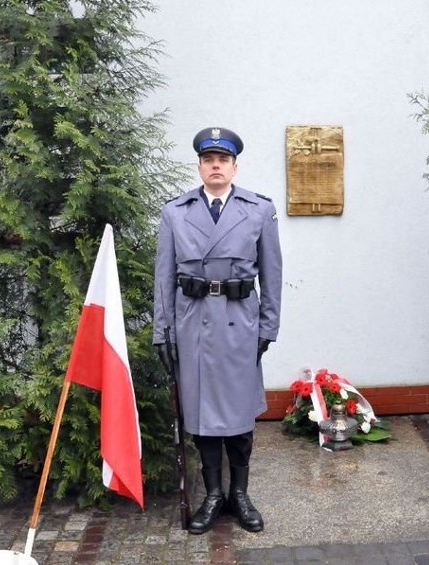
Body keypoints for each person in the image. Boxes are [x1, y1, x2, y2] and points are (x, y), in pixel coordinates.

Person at [153, 127, 283, 534]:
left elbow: (273, 274)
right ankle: (212, 494)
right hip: (193, 323)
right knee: (203, 413)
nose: (215, 166)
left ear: (234, 166)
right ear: (199, 166)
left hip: (239, 323)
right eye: (209, 160)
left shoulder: (258, 209)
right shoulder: (176, 212)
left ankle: (240, 494)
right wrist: (163, 331)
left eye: (222, 160)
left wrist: (268, 326)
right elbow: (164, 276)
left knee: (239, 411)